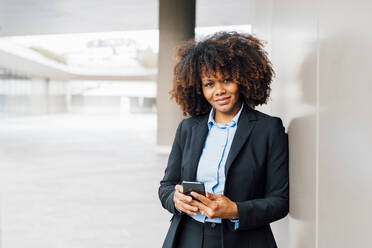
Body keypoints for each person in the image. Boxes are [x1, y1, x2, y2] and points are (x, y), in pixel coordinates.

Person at [158, 31, 289, 248]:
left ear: (244, 79)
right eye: (209, 83)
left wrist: (234, 210)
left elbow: (280, 201)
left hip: (243, 240)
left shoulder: (268, 129)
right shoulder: (188, 128)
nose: (219, 90)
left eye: (227, 80)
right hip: (188, 238)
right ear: (199, 88)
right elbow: (166, 186)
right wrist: (174, 198)